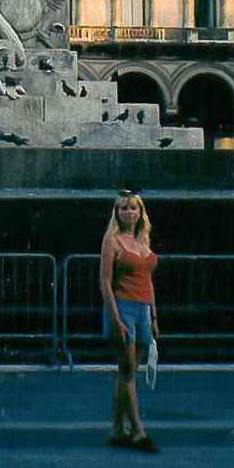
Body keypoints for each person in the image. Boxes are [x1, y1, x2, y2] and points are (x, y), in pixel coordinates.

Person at [99, 191, 160, 452]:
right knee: (128, 371)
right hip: (123, 307)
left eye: (133, 208)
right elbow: (104, 281)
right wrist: (115, 318)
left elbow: (148, 280)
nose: (129, 212)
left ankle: (117, 428)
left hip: (143, 309)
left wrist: (154, 314)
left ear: (140, 212)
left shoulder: (142, 238)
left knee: (128, 372)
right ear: (117, 213)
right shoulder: (112, 241)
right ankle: (138, 431)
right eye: (124, 208)